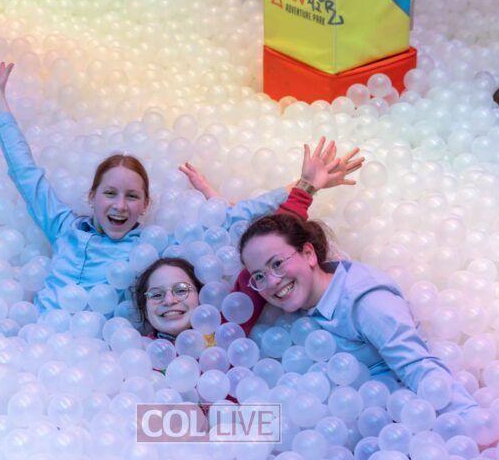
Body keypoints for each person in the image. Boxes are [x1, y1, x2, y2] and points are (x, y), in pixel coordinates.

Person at [0, 62, 361, 311]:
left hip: (95, 357)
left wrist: (304, 185)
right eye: (110, 193)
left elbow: (229, 222)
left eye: (132, 196)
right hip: (39, 344)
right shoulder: (63, 228)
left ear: (145, 206)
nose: (120, 205)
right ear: (92, 198)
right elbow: (26, 174)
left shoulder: (150, 248)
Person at [237, 212, 477, 413]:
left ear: (309, 254)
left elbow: (418, 367)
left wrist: (475, 428)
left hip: (402, 420)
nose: (272, 281)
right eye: (259, 276)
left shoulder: (366, 303)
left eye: (277, 264)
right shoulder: (302, 307)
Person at [134, 138, 363, 339]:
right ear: (144, 307)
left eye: (182, 289)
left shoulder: (229, 324)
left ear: (203, 296)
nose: (169, 300)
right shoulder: (136, 353)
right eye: (156, 295)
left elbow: (273, 244)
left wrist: (305, 188)